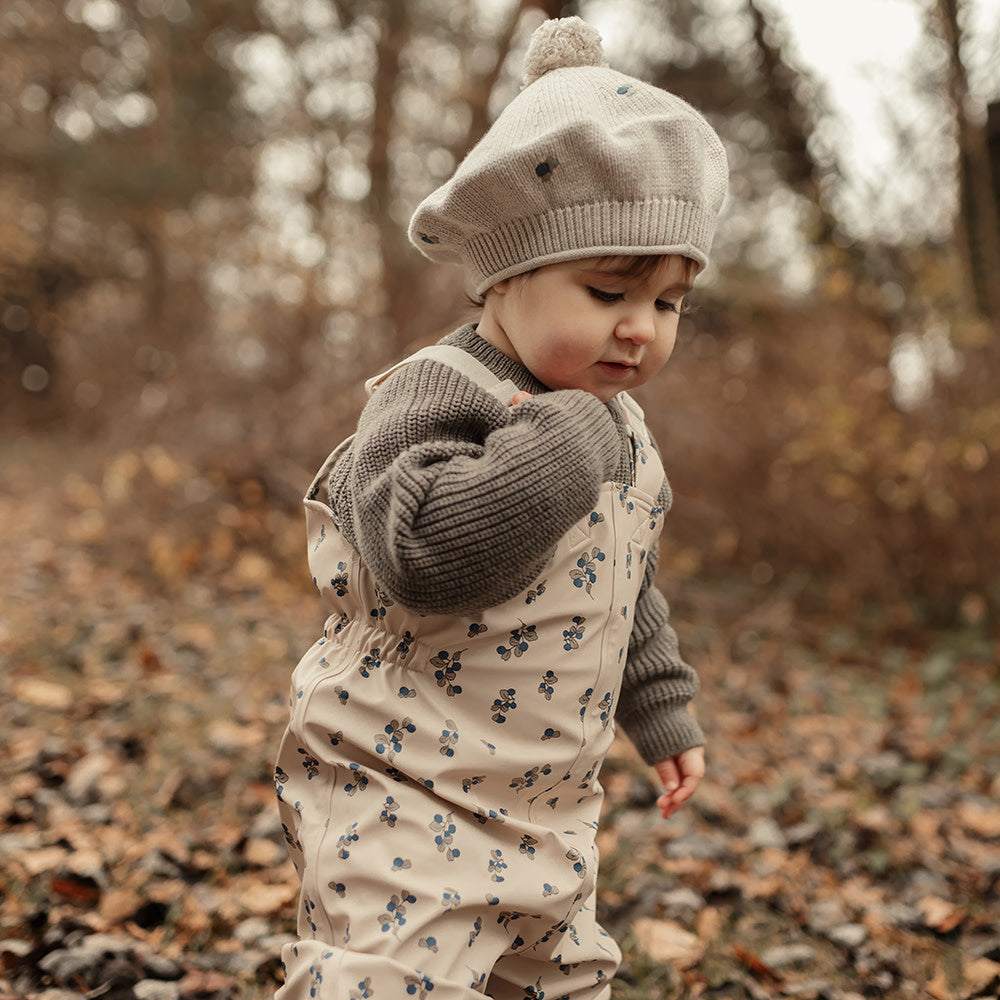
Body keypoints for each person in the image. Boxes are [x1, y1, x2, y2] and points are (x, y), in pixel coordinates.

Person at [273, 15, 728, 1000]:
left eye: (668, 302)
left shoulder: (619, 425)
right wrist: (567, 440)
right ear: (506, 276)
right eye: (608, 288)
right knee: (384, 980)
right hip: (399, 790)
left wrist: (660, 703)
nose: (639, 328)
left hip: (543, 803)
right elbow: (428, 551)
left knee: (554, 976)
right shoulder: (435, 392)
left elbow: (624, 580)